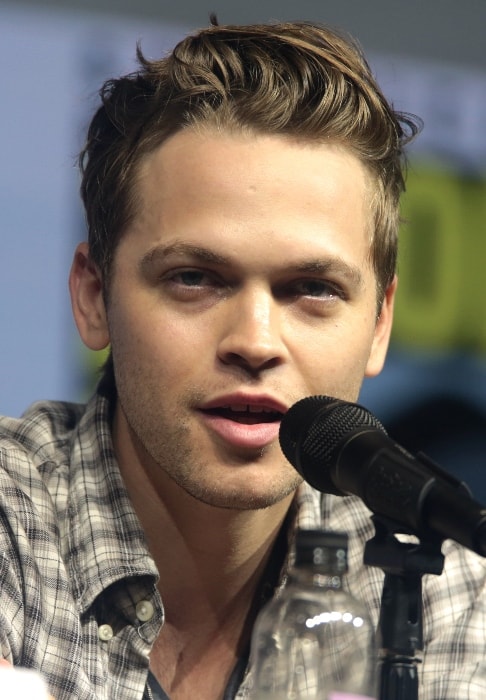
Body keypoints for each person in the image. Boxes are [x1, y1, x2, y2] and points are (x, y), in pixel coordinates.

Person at [0, 17, 485, 700]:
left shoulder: (444, 586)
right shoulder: (12, 517)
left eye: (312, 290)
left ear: (380, 323)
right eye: (195, 278)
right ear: (94, 297)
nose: (256, 342)